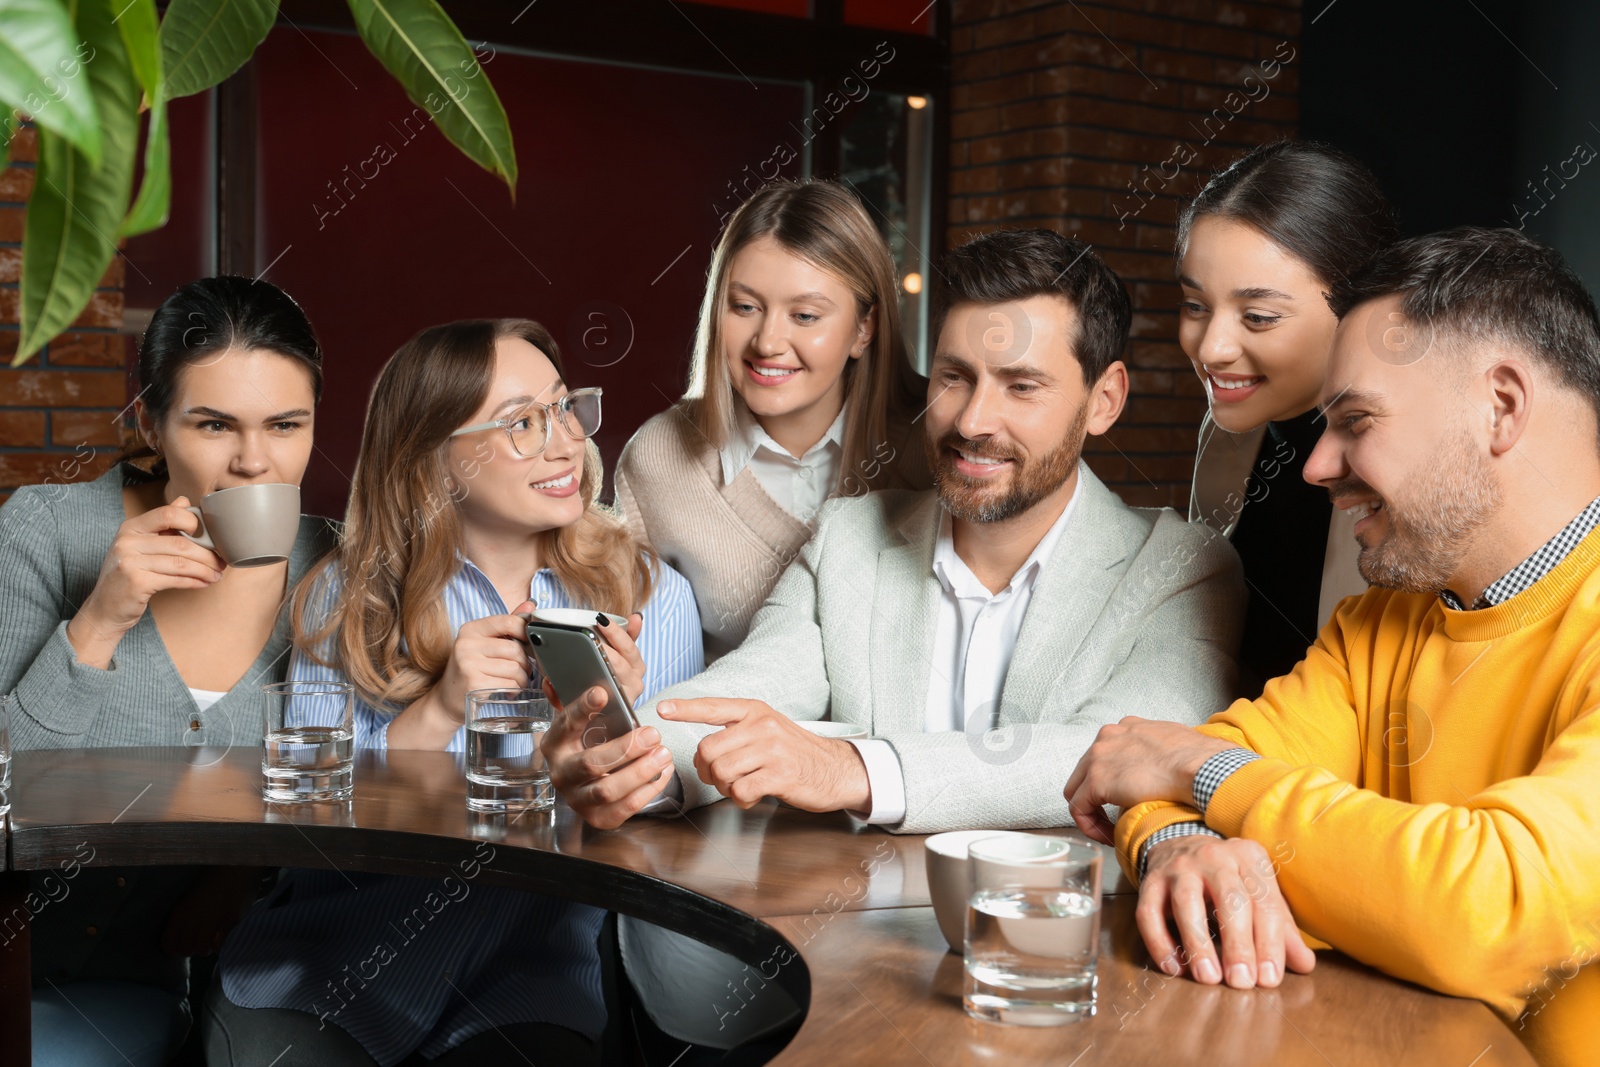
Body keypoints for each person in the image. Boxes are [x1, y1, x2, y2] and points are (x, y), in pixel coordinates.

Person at [1064, 227, 1600, 1067]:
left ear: (1501, 405)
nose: (1315, 465)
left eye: (1354, 420)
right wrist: (1182, 843)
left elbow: (1488, 908)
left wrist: (1197, 774)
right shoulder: (1378, 622)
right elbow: (1173, 777)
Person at [207, 319, 702, 1066]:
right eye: (523, 424)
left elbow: (664, 847)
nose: (567, 442)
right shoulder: (344, 598)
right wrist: (438, 710)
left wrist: (611, 732)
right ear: (435, 462)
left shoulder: (650, 596)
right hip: (321, 970)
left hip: (527, 983)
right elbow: (306, 829)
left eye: (567, 408)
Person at [0, 276, 337, 1065]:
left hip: (244, 991)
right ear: (151, 423)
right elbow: (5, 781)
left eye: (287, 424)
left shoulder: (340, 566)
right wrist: (100, 618)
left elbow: (363, 784)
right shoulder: (45, 533)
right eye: (213, 424)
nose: (255, 461)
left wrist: (233, 876)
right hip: (32, 978)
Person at [615, 179, 930, 662]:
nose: (767, 342)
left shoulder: (940, 440)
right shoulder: (659, 458)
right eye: (745, 307)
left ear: (863, 329)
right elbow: (640, 657)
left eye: (805, 316)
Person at [1179, 140, 1398, 693]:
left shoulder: (1419, 472)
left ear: (1358, 305)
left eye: (1257, 316)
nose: (1211, 348)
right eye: (1195, 306)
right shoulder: (1230, 430)